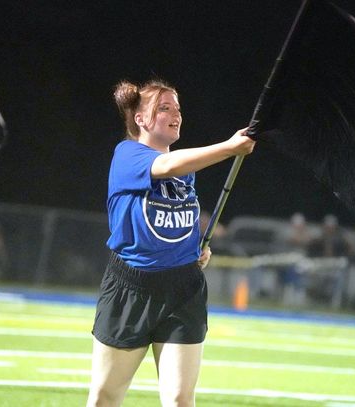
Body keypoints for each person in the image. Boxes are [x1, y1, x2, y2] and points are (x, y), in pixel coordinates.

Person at [87, 79, 255, 407]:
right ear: (140, 120)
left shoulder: (185, 170)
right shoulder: (127, 154)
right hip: (130, 290)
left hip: (183, 288)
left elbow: (173, 218)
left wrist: (194, 249)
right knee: (104, 398)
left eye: (178, 107)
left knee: (179, 400)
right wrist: (229, 148)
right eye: (164, 107)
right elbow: (164, 165)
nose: (176, 113)